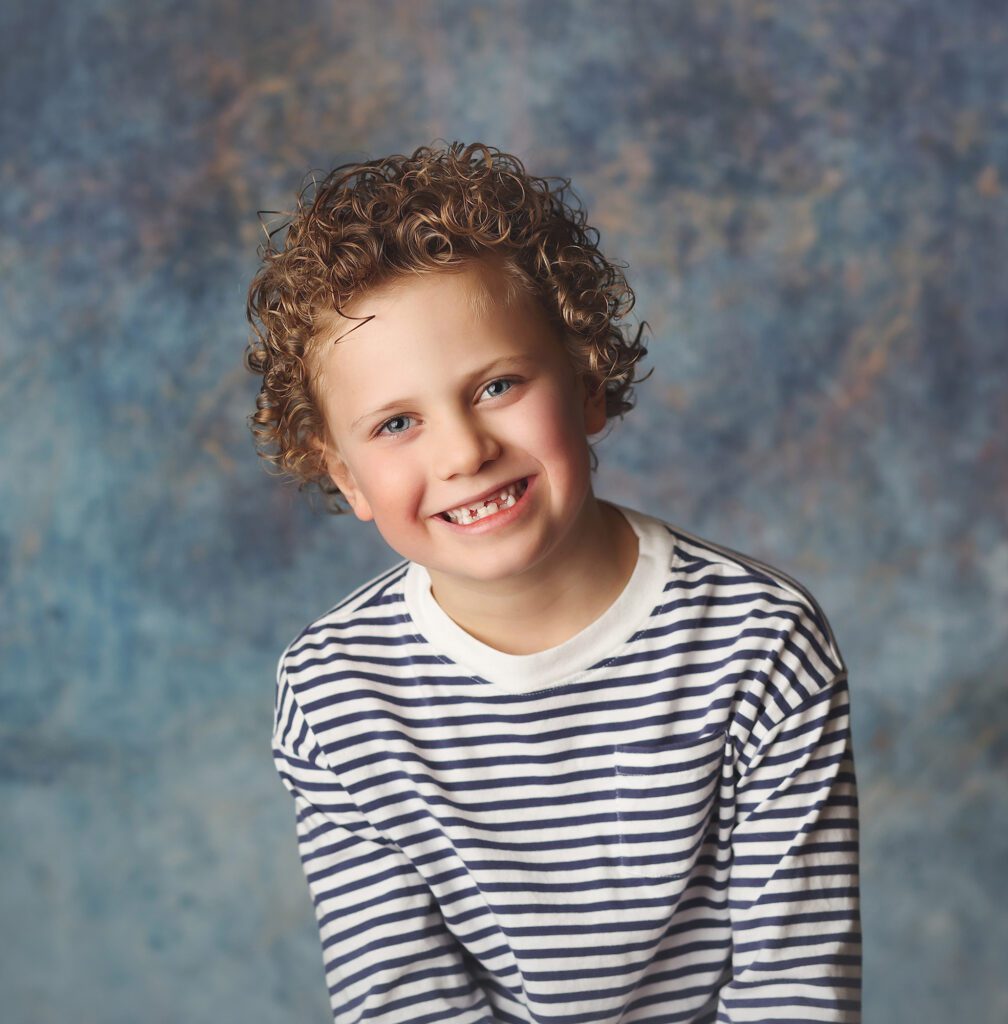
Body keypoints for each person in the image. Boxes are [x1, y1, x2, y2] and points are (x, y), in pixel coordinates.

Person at [245, 141, 861, 1023]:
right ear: (344, 477)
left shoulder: (761, 643)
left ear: (586, 385)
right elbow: (403, 1002)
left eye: (497, 385)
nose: (462, 452)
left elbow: (793, 990)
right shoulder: (335, 693)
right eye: (396, 423)